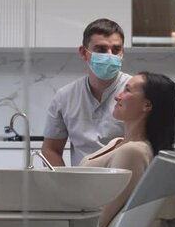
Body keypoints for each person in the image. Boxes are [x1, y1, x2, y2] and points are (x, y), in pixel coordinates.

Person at [80, 71, 175, 227]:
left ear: (146, 105)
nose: (118, 96)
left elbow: (99, 222)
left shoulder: (133, 152)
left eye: (127, 90)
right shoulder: (117, 143)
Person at [42, 18, 131, 167]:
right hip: (80, 184)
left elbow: (149, 148)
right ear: (84, 53)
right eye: (101, 49)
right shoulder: (65, 97)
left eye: (116, 50)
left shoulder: (138, 93)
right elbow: (51, 149)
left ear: (122, 53)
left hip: (125, 183)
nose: (109, 55)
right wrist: (63, 184)